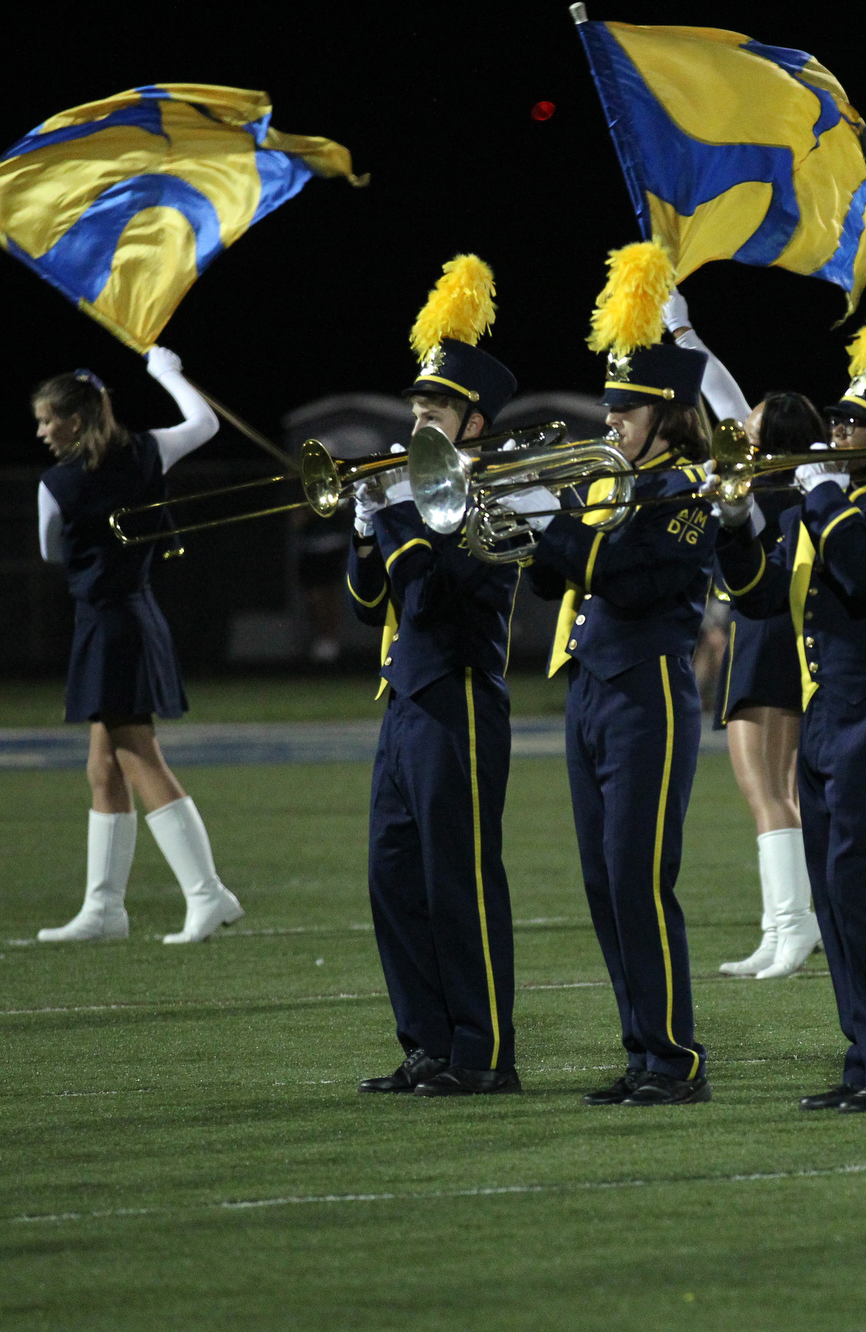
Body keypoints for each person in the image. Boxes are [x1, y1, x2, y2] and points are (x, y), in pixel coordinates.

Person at [712, 277, 866, 1113]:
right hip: (826, 714)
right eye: (840, 421)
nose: (838, 432)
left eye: (855, 426)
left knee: (864, 890)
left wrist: (822, 497)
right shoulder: (819, 508)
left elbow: (863, 574)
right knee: (834, 891)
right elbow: (755, 598)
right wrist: (732, 519)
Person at [523, 246, 722, 1106]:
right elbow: (546, 576)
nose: (610, 423)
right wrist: (537, 523)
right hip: (591, 692)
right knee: (603, 883)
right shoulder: (611, 483)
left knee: (639, 878)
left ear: (668, 414)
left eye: (625, 410)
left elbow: (636, 576)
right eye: (609, 409)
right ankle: (642, 1049)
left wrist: (560, 530)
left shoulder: (685, 490)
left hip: (650, 692)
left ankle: (674, 1057)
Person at [349, 255, 524, 1097]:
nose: (421, 418)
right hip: (404, 699)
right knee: (393, 878)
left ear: (475, 423)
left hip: (456, 693)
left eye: (439, 408)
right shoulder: (411, 498)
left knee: (460, 881)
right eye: (418, 405)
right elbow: (369, 601)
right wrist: (361, 530)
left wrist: (391, 518)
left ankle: (482, 1052)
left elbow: (440, 584)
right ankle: (424, 1043)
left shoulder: (495, 496)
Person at [32, 350, 243, 945]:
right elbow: (204, 423)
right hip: (137, 614)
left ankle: (209, 894)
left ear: (77, 420)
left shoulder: (55, 485)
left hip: (106, 624)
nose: (42, 432)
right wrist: (168, 373)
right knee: (102, 767)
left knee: (138, 758)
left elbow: (52, 551)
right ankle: (104, 911)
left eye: (50, 420)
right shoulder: (148, 450)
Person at [711, 389, 825, 979]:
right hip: (764, 637)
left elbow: (719, 393)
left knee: (770, 793)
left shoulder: (773, 492)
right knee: (774, 794)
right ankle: (777, 926)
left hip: (767, 638)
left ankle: (795, 922)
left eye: (750, 427)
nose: (739, 431)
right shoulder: (791, 488)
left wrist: (685, 337)